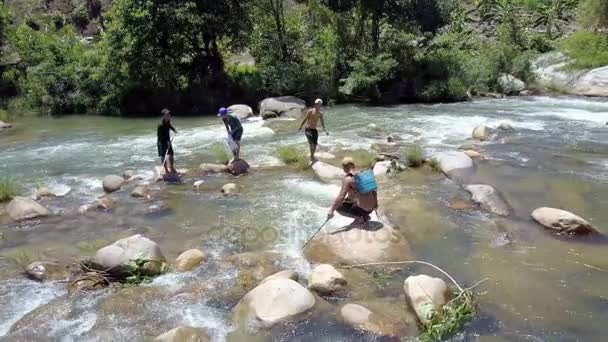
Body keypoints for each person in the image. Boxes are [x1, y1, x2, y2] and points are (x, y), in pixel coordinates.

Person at [327, 157, 378, 226]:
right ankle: (365, 216)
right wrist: (375, 204)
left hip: (363, 209)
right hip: (371, 208)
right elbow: (374, 191)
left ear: (345, 167)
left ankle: (360, 218)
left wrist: (331, 211)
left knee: (339, 207)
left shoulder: (348, 179)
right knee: (350, 198)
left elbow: (341, 197)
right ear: (353, 165)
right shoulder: (364, 173)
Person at [157, 108, 177, 174]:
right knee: (163, 156)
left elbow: (170, 126)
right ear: (163, 116)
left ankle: (171, 166)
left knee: (171, 154)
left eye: (169, 114)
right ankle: (166, 169)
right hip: (161, 142)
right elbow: (160, 137)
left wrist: (174, 130)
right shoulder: (160, 125)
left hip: (168, 141)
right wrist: (166, 141)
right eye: (167, 115)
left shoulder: (167, 122)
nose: (169, 116)